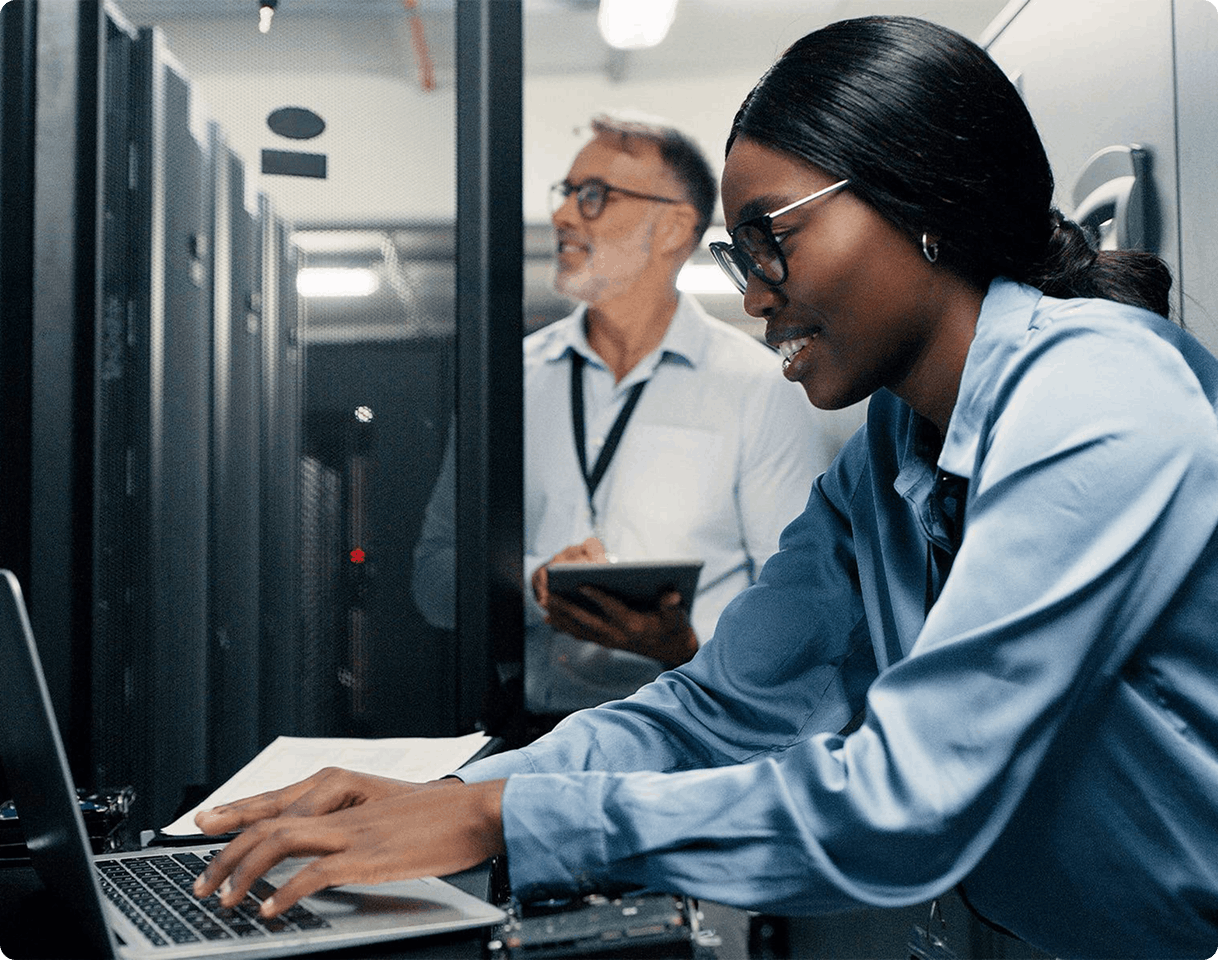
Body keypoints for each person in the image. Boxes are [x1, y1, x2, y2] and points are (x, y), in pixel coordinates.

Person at [194, 17, 1218, 959]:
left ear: (924, 207)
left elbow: (912, 802)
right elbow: (715, 713)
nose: (755, 292)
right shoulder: (883, 459)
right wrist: (445, 794)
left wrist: (497, 821)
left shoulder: (1098, 390)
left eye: (775, 234)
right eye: (742, 253)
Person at [411, 112, 857, 715]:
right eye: (566, 194)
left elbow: (800, 610)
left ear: (673, 227)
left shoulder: (761, 387)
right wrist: (532, 581)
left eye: (592, 196)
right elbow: (433, 582)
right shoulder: (507, 384)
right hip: (530, 733)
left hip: (697, 734)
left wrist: (684, 648)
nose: (563, 216)